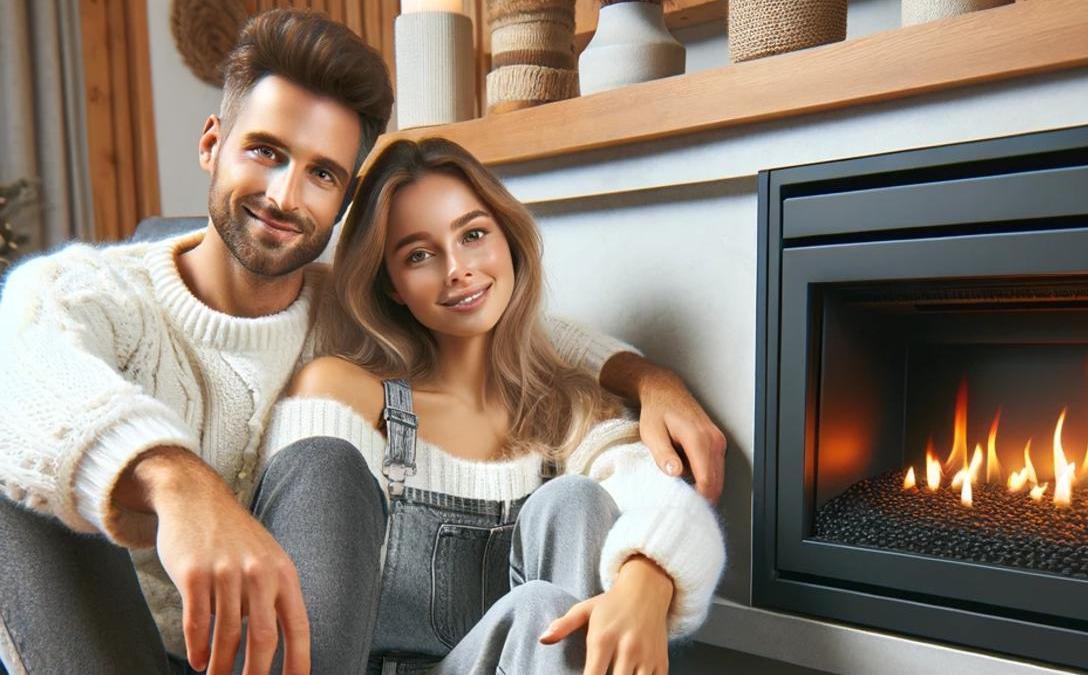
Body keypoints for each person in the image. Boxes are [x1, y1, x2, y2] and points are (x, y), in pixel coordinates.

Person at [0, 8, 725, 675]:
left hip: (277, 657)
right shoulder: (95, 293)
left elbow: (510, 325)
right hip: (120, 648)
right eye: (264, 151)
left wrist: (645, 375)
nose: (285, 196)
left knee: (336, 468)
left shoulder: (346, 317)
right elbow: (20, 365)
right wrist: (176, 483)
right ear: (213, 143)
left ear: (343, 203)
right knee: (16, 470)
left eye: (320, 173)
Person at [262, 137, 724, 674]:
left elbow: (671, 506)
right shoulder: (347, 391)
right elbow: (297, 554)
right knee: (322, 462)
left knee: (572, 507)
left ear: (507, 238)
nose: (457, 269)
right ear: (392, 285)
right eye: (419, 254)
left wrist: (648, 579)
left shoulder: (564, 408)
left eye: (473, 234)